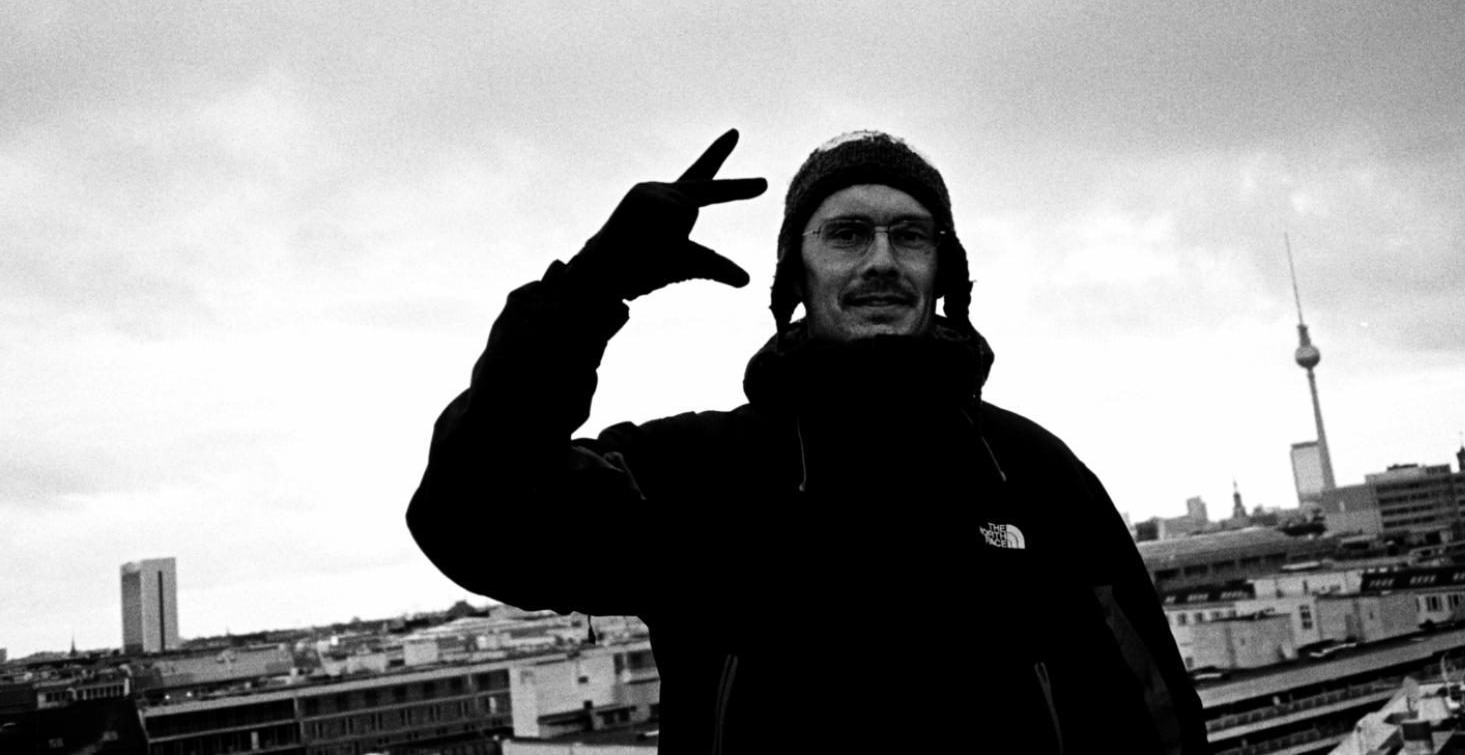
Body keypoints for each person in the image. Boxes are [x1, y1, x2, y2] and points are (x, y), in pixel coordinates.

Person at [407, 129, 1209, 754]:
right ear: (796, 276)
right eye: (848, 234)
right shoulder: (703, 474)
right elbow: (473, 513)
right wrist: (589, 286)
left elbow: (1155, 718)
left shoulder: (1036, 474)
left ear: (945, 272)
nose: (883, 262)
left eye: (910, 236)